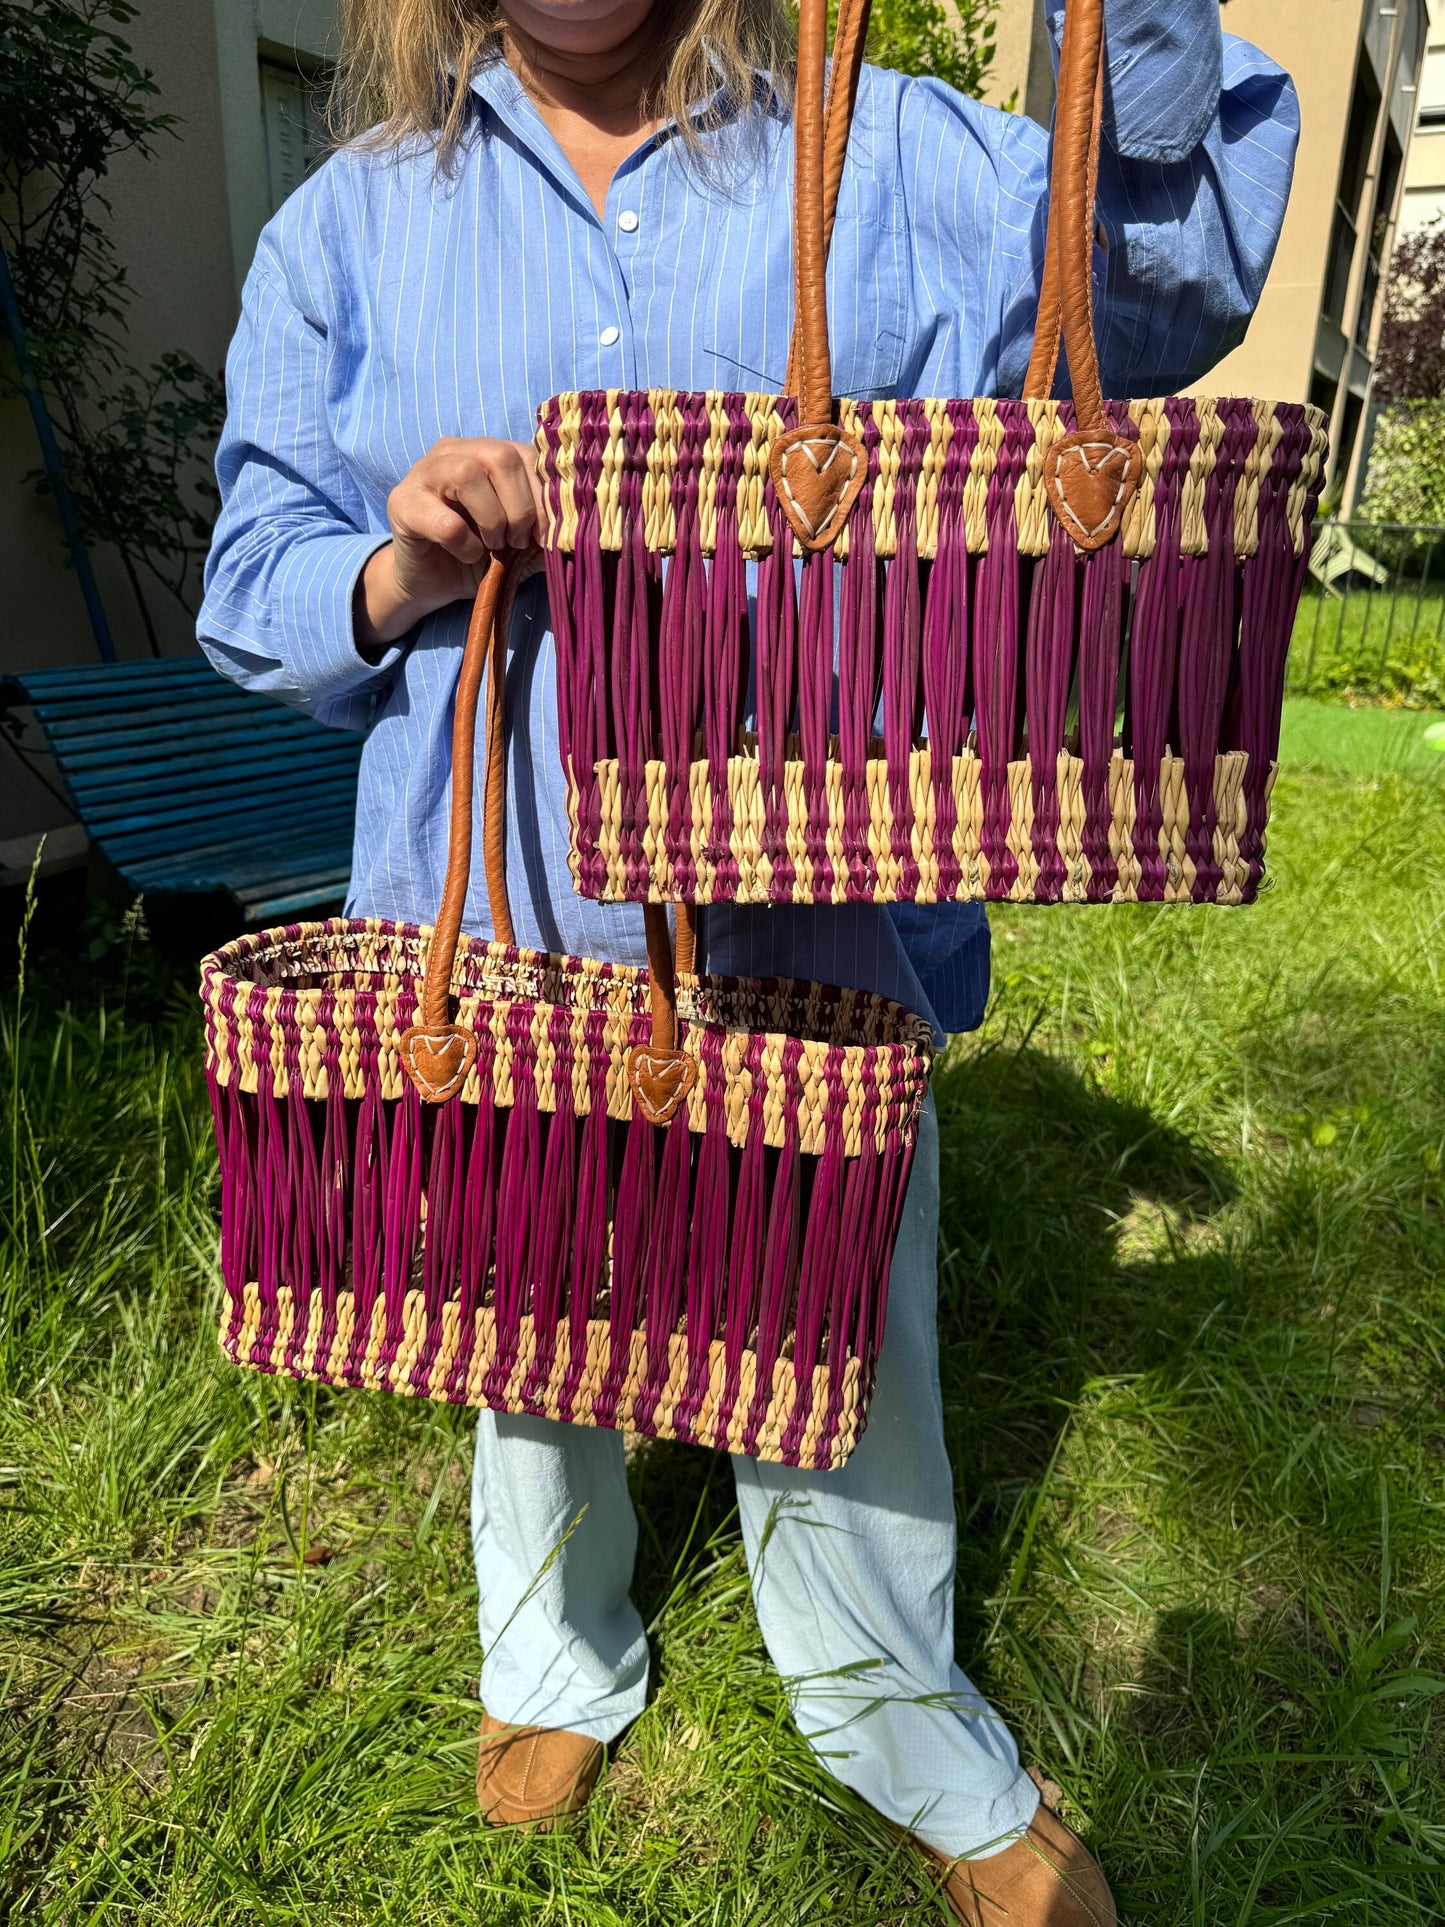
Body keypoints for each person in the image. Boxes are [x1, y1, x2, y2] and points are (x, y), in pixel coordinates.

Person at [199, 1, 1297, 1918]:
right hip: (506, 906)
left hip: (812, 914)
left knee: (841, 1326)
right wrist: (403, 569)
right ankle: (552, 1643)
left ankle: (886, 1698)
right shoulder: (350, 221)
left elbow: (1170, 270)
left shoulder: (885, 156)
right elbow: (250, 590)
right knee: (519, 1303)